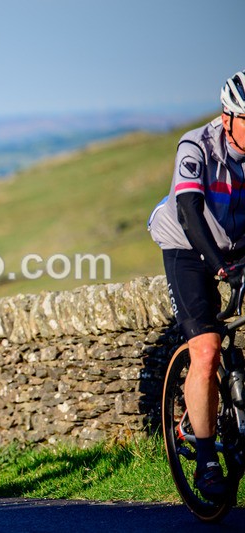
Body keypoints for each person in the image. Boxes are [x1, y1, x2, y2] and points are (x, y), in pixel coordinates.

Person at [148, 70, 245, 501]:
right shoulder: (196, 145)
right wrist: (220, 266)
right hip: (187, 244)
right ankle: (206, 458)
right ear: (228, 118)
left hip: (235, 243)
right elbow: (188, 207)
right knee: (205, 348)